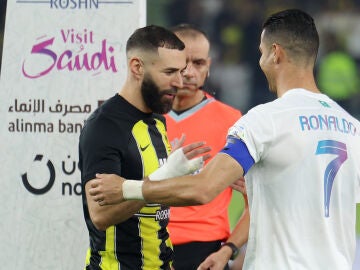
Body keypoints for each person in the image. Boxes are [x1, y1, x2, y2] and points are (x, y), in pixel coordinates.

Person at [88, 9, 360, 270]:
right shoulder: (353, 128)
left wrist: (126, 189)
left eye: (261, 53)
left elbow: (204, 188)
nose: (260, 62)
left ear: (275, 54)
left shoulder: (265, 120)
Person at [78, 25, 211, 270]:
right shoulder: (104, 127)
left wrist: (178, 177)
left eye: (181, 72)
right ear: (137, 67)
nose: (180, 82)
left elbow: (156, 199)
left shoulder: (157, 119)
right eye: (170, 72)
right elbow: (100, 216)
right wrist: (163, 176)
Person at [165, 24, 248, 270]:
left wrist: (229, 250)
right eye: (182, 63)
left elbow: (257, 203)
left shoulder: (232, 122)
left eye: (199, 63)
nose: (189, 72)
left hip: (205, 251)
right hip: (148, 247)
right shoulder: (143, 118)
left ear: (209, 67)